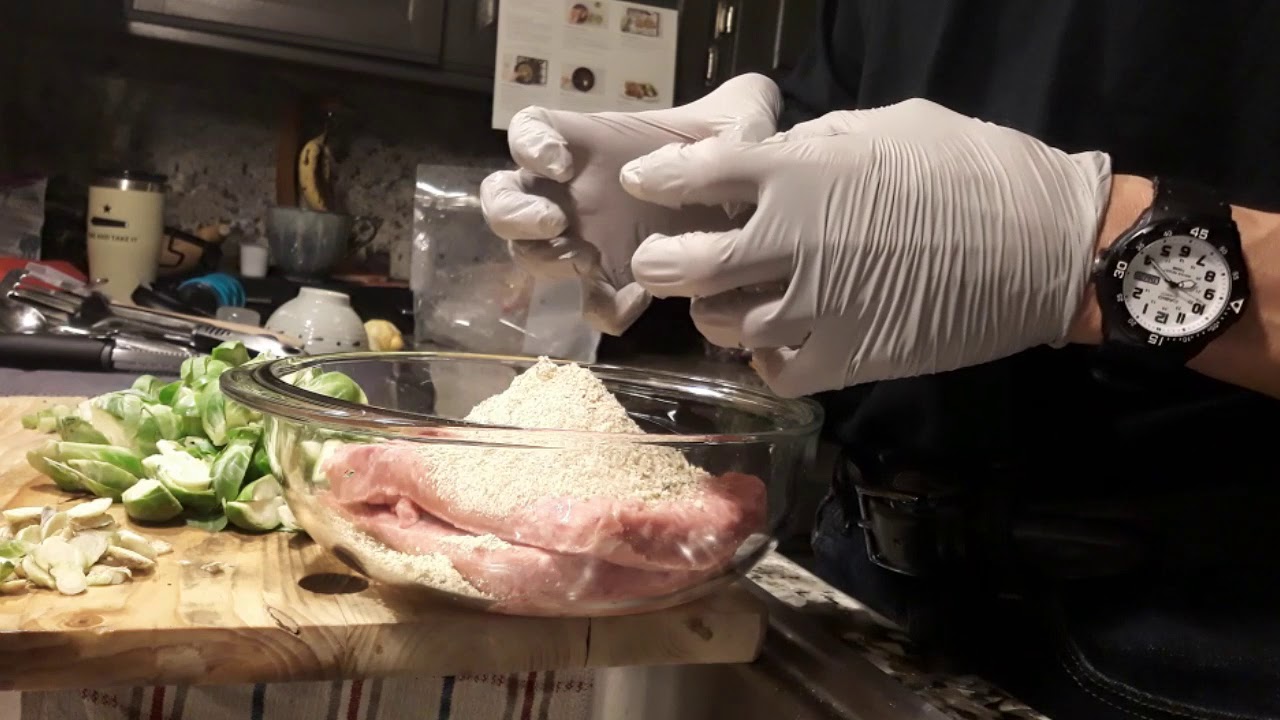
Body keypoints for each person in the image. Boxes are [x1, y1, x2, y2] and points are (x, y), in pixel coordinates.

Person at [480, 2, 1280, 718]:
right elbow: (846, 115)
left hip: (1205, 637)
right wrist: (716, 186)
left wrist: (1103, 246)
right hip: (864, 576)